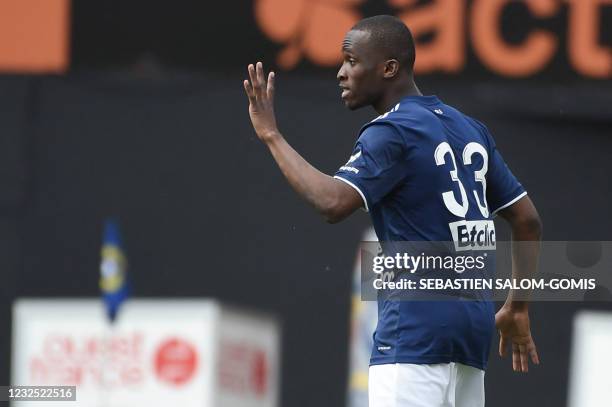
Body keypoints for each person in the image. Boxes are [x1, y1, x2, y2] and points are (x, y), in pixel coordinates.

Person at [243, 14, 541, 407]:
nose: (341, 72)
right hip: (472, 334)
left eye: (351, 60)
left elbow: (332, 203)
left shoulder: (392, 131)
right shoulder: (470, 129)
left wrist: (271, 135)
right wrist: (517, 307)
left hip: (415, 335)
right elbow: (527, 220)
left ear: (388, 68)